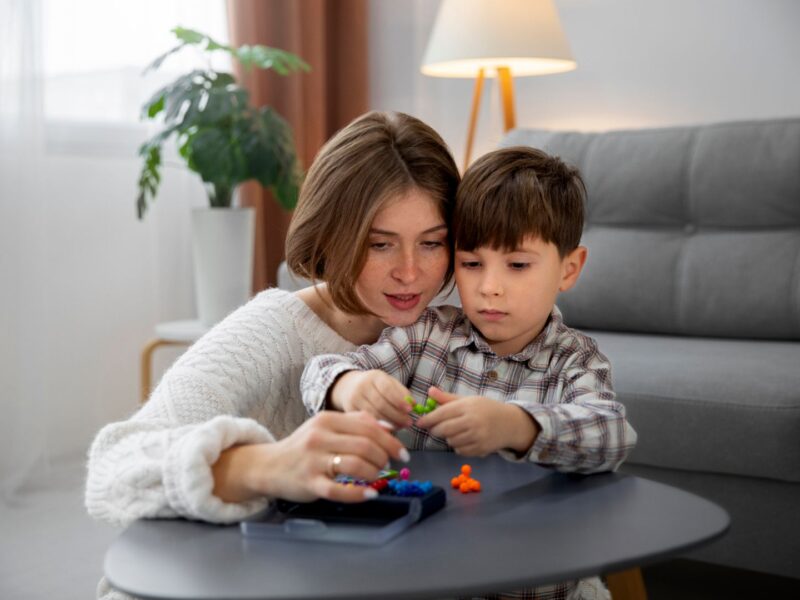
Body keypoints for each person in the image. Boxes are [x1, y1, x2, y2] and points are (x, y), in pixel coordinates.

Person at [85, 110, 459, 598]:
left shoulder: (461, 329)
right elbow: (113, 469)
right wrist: (266, 466)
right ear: (331, 235)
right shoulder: (275, 329)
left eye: (431, 243)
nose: (410, 272)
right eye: (380, 244)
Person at [301, 146, 638, 600]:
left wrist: (516, 425)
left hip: (535, 583)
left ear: (569, 268)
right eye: (471, 263)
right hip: (427, 576)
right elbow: (320, 370)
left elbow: (613, 434)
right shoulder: (426, 336)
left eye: (518, 265)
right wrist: (350, 384)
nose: (489, 287)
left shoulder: (575, 360)